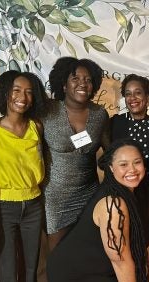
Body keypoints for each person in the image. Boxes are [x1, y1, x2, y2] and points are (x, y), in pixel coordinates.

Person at [47, 139, 148, 282]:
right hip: (75, 273)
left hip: (101, 268)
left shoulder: (139, 193)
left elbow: (145, 239)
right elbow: (120, 260)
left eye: (137, 162)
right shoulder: (113, 204)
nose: (132, 169)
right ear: (111, 168)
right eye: (123, 164)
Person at [0, 70, 48, 282]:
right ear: (5, 94)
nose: (23, 97)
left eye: (29, 92)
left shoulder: (36, 126)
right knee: (6, 266)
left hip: (34, 204)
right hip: (2, 205)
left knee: (32, 266)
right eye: (16, 91)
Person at [42, 57, 110, 250]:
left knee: (86, 251)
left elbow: (110, 151)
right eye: (76, 78)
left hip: (89, 193)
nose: (83, 83)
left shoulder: (99, 114)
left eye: (88, 80)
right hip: (55, 197)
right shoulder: (47, 111)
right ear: (63, 84)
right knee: (56, 253)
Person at [110, 73, 149, 279]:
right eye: (127, 94)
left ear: (148, 96)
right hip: (128, 193)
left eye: (138, 93)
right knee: (129, 240)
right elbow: (111, 160)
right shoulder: (116, 123)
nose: (132, 98)